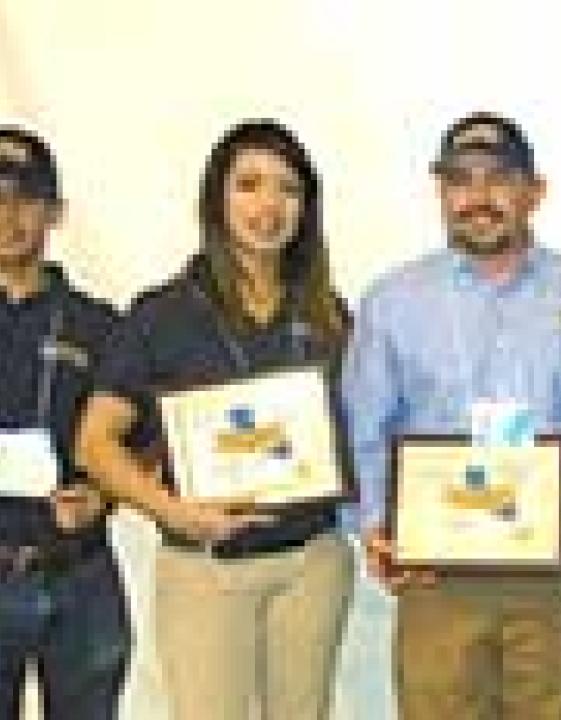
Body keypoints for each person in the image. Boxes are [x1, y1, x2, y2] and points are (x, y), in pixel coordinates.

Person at [345, 112, 561, 720]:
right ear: (440, 192)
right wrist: (374, 528)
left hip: (553, 572)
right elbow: (365, 430)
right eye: (459, 181)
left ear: (535, 192)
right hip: (436, 576)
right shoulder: (392, 302)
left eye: (498, 179)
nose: (478, 198)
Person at [76, 120, 353, 720]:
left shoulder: (330, 315)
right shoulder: (162, 314)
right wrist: (173, 511)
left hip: (311, 564)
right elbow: (96, 442)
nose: (268, 205)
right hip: (206, 568)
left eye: (288, 188)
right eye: (248, 185)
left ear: (307, 208)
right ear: (216, 199)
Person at [0, 126, 129, 720]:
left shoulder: (99, 325)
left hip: (76, 573)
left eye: (25, 199)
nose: (8, 215)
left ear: (55, 212)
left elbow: (147, 442)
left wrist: (103, 493)